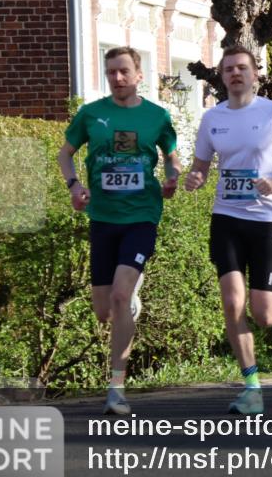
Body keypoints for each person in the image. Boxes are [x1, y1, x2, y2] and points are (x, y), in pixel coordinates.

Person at [184, 45, 272, 414]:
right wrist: (195, 178)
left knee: (263, 313)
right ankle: (252, 387)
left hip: (266, 221)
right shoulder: (212, 118)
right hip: (226, 218)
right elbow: (201, 167)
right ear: (221, 76)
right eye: (228, 69)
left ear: (255, 74)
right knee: (232, 302)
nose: (235, 74)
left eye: (242, 68)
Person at [57, 46, 181, 416]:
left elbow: (172, 157)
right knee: (103, 311)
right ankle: (127, 301)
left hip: (142, 216)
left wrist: (172, 178)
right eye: (111, 71)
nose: (117, 77)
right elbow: (65, 154)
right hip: (103, 217)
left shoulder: (157, 116)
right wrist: (74, 186)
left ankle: (116, 388)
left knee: (119, 295)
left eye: (124, 71)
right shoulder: (91, 114)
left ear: (139, 75)